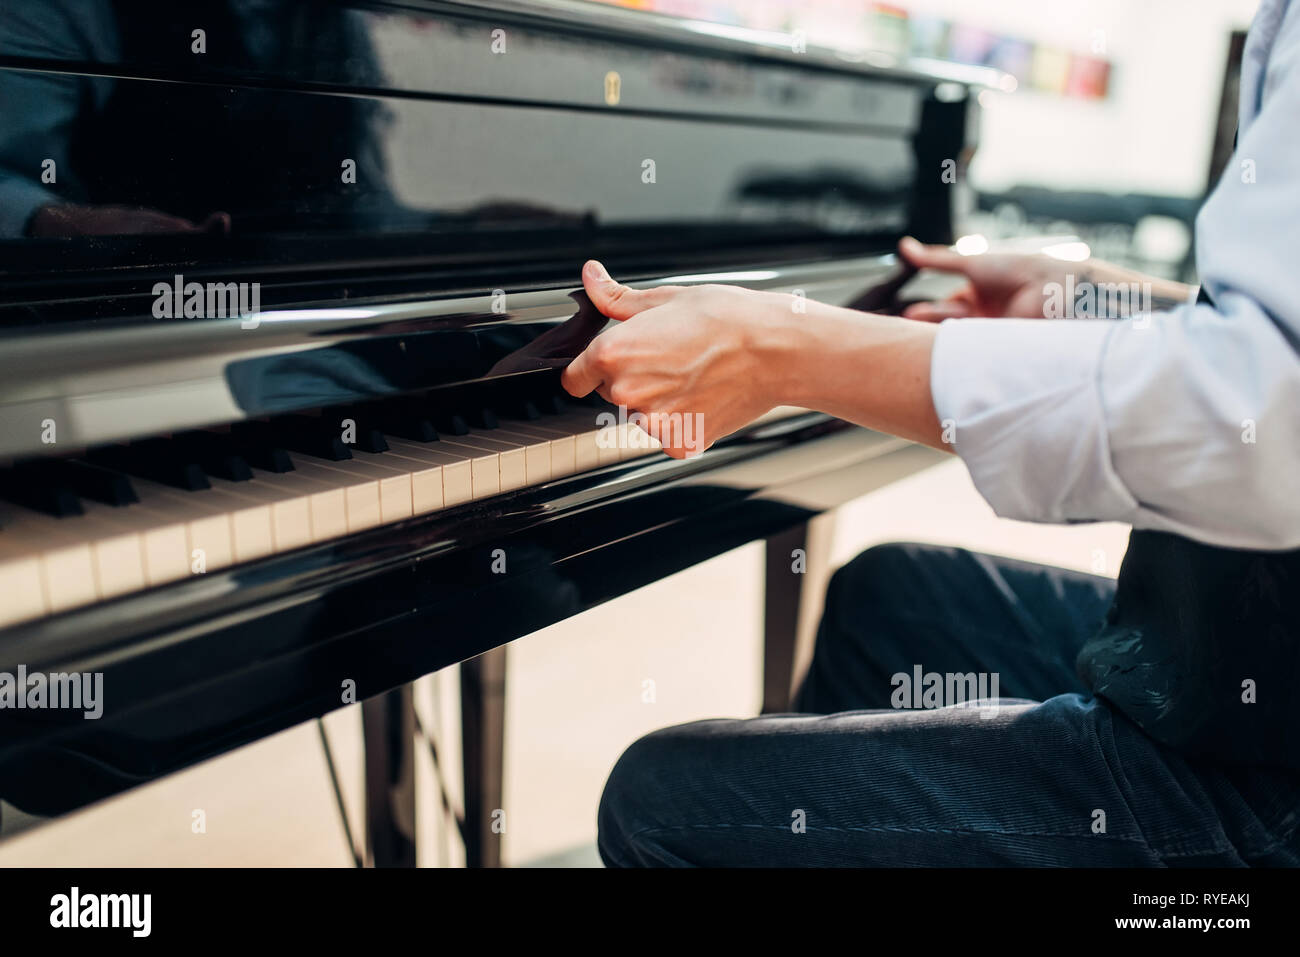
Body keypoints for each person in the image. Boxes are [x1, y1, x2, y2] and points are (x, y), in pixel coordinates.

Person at [564, 0, 1300, 866]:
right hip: (1232, 661)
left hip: (1261, 780)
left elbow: (1252, 421)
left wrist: (783, 347)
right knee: (884, 599)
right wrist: (1095, 302)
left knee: (655, 803)